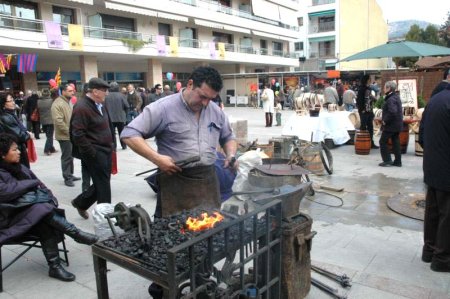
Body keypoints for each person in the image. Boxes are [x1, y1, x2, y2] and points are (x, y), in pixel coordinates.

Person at [120, 66, 238, 218]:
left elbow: (228, 136)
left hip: (208, 180)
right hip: (176, 181)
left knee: (209, 228)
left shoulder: (215, 111)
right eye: (202, 96)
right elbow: (129, 134)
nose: (206, 103)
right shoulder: (163, 108)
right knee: (174, 232)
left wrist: (231, 154)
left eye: (211, 99)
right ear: (190, 84)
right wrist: (157, 158)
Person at [0, 133, 98, 282]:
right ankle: (77, 234)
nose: (19, 152)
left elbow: (40, 184)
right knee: (41, 211)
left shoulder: (19, 167)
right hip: (9, 217)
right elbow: (6, 192)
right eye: (14, 150)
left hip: (31, 213)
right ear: (2, 154)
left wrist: (49, 195)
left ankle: (55, 266)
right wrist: (31, 185)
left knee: (42, 216)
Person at [70, 78, 114, 220]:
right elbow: (77, 134)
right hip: (95, 152)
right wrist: (92, 152)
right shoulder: (82, 107)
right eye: (104, 91)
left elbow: (108, 124)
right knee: (104, 186)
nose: (107, 94)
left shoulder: (100, 103)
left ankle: (80, 202)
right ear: (95, 91)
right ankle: (105, 218)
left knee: (103, 182)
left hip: (106, 150)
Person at [421, 84, 450, 272]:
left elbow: (422, 136)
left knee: (432, 211)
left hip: (432, 166)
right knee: (447, 215)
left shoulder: (434, 100)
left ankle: (429, 251)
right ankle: (442, 259)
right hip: (447, 167)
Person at [51, 84, 80, 187]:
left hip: (70, 134)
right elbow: (58, 121)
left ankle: (70, 174)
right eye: (70, 91)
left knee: (70, 156)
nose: (72, 92)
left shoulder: (68, 102)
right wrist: (69, 131)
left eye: (73, 91)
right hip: (64, 136)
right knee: (67, 156)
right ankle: (67, 177)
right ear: (63, 92)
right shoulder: (57, 103)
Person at [0, 92, 30, 168]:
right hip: (12, 151)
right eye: (10, 101)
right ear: (3, 103)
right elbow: (19, 135)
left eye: (13, 100)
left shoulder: (11, 115)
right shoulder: (6, 118)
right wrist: (28, 135)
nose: (13, 103)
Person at [378, 81, 403, 167]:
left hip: (391, 125)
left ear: (389, 88)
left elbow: (393, 111)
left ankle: (387, 160)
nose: (383, 89)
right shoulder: (396, 97)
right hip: (397, 125)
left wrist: (385, 120)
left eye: (385, 87)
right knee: (395, 142)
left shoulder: (391, 99)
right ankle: (398, 161)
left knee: (382, 141)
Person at [105, 81, 129, 150]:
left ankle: (113, 147)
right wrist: (125, 115)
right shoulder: (122, 95)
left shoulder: (106, 96)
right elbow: (127, 106)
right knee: (122, 132)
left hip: (110, 118)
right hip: (120, 117)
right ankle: (124, 145)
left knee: (112, 134)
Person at [356, 75, 379, 149]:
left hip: (369, 111)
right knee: (363, 127)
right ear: (366, 80)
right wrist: (362, 110)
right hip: (364, 111)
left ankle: (371, 143)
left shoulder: (368, 88)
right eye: (369, 79)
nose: (370, 80)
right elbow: (359, 100)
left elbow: (371, 97)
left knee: (370, 127)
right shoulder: (362, 89)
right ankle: (361, 143)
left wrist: (375, 99)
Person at [38, 89, 57, 155]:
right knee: (50, 136)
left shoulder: (38, 101)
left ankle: (51, 148)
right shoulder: (51, 101)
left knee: (48, 135)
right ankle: (47, 149)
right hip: (50, 120)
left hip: (43, 121)